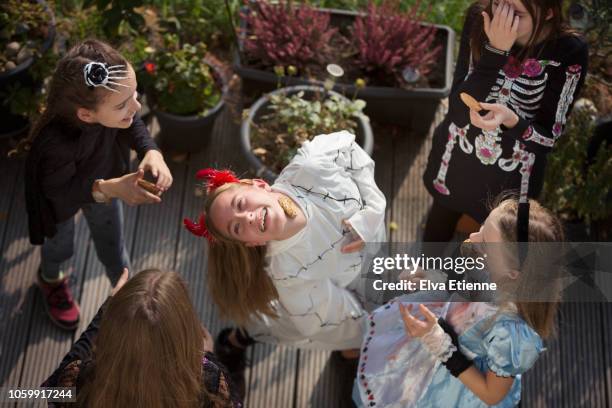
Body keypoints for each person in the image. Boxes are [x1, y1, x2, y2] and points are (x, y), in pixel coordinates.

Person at [183, 130, 386, 394]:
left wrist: (373, 208)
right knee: (292, 322)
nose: (247, 218)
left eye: (241, 203)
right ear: (252, 243)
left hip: (368, 260)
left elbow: (347, 145)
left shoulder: (311, 167)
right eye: (236, 227)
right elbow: (321, 317)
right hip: (340, 286)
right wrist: (369, 329)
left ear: (259, 184)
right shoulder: (286, 271)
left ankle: (239, 337)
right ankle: (237, 341)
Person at [11, 39, 173, 330]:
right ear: (86, 115)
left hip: (108, 186)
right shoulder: (55, 147)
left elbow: (132, 120)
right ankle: (50, 279)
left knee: (114, 248)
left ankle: (125, 296)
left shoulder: (113, 108)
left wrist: (151, 150)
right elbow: (61, 194)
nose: (136, 107)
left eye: (135, 95)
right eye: (123, 104)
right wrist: (110, 188)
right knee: (59, 247)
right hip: (62, 202)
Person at [353, 197, 564, 407]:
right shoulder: (488, 264)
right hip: (435, 338)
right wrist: (434, 280)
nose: (472, 237)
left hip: (456, 383)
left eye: (484, 242)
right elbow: (464, 287)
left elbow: (491, 395)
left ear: (513, 273)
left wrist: (439, 342)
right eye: (482, 227)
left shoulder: (513, 333)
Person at [422, 0, 588, 247]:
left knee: (494, 247)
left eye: (516, 13)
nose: (502, 17)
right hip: (457, 160)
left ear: (549, 12)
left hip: (510, 178)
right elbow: (457, 112)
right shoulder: (482, 18)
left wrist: (513, 120)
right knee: (438, 224)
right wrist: (495, 52)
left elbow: (547, 139)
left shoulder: (569, 51)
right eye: (498, 3)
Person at [42, 268, 242, 408]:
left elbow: (52, 389)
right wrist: (207, 354)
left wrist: (105, 311)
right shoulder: (209, 381)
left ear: (111, 332)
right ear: (185, 330)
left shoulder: (83, 380)